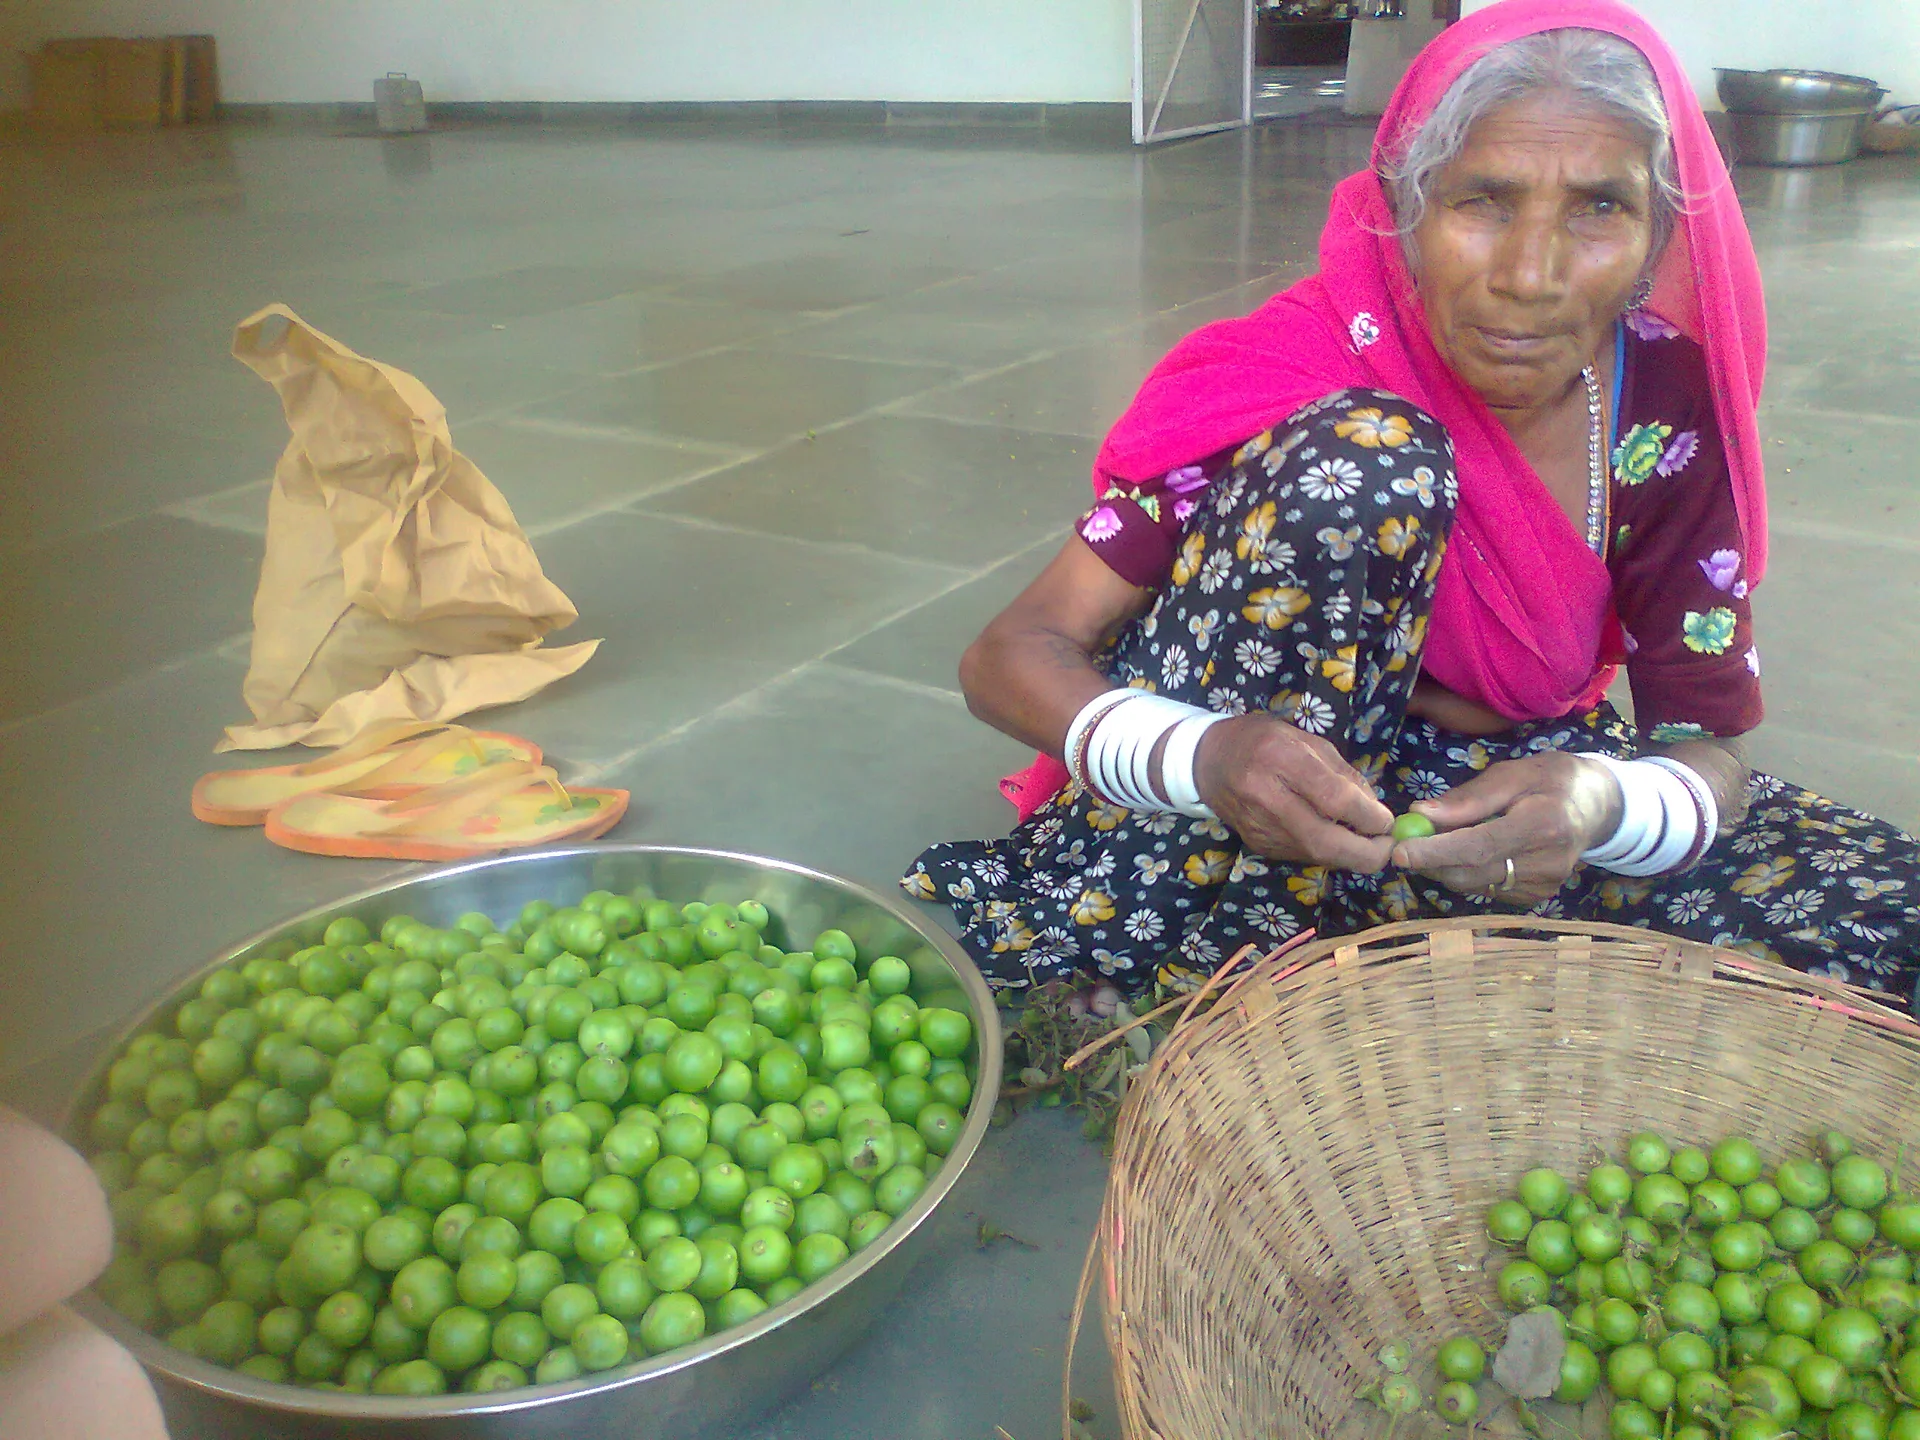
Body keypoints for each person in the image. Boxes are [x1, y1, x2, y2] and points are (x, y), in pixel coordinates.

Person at [904, 0, 1920, 1004]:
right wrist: (1203, 757)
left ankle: (1355, 963)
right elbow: (1008, 657)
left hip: (1481, 806)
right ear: (1406, 208)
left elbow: (1707, 747)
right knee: (1368, 458)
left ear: (1658, 238)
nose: (1530, 275)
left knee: (1886, 918)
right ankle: (1242, 946)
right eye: (1484, 200)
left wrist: (1598, 802)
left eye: (1599, 208)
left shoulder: (1661, 409)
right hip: (1227, 813)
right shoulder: (1296, 369)